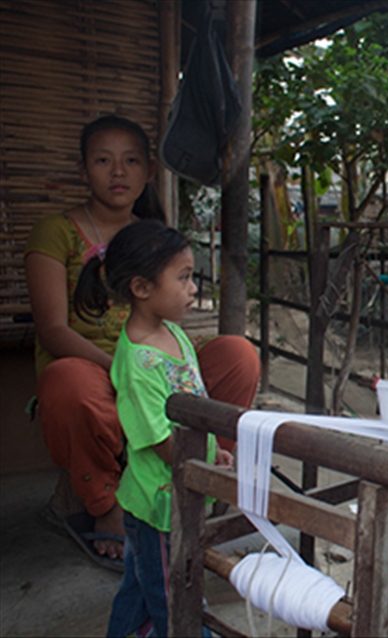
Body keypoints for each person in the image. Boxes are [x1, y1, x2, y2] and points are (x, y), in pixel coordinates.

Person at [24, 115, 260, 570]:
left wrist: (161, 365)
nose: (118, 171)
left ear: (149, 170)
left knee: (238, 354)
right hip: (89, 366)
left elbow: (167, 319)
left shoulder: (152, 231)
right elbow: (52, 330)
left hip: (152, 359)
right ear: (83, 169)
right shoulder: (55, 232)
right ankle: (107, 504)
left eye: (131, 160)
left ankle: (208, 475)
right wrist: (122, 369)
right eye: (103, 160)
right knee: (67, 381)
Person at [73, 219, 229, 637]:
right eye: (183, 277)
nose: (193, 288)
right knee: (173, 591)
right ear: (142, 288)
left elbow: (195, 401)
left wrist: (214, 450)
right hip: (158, 504)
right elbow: (160, 439)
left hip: (179, 489)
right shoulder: (138, 362)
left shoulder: (174, 334)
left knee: (142, 585)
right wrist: (204, 464)